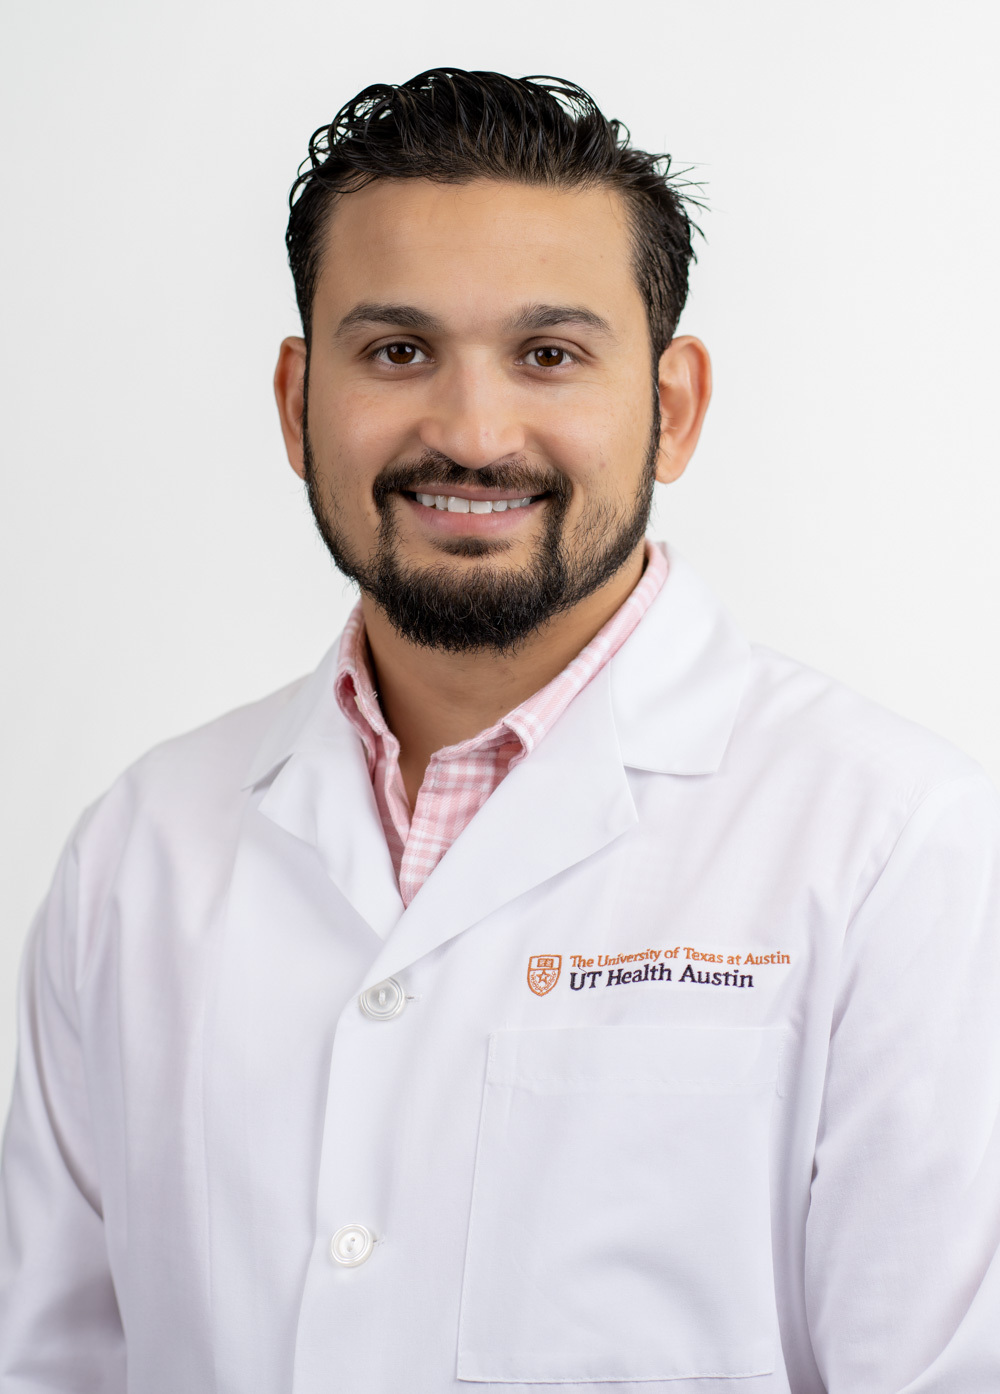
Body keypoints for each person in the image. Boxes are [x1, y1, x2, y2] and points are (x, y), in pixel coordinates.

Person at [1, 67, 998, 1394]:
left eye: (549, 355)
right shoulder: (143, 850)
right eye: (397, 351)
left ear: (675, 405)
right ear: (299, 397)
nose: (472, 433)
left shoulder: (893, 845)